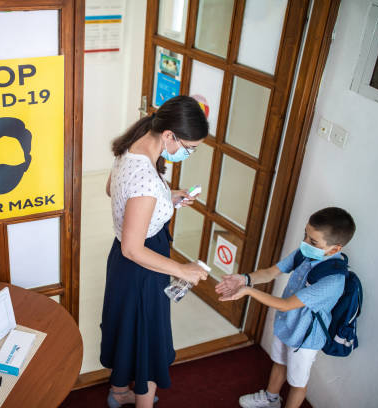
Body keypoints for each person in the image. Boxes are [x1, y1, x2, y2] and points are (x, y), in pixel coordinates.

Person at [100, 95, 210, 408]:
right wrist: (183, 269)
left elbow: (113, 189)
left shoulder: (131, 146)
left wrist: (167, 197)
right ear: (169, 135)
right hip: (143, 265)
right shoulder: (147, 179)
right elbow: (134, 248)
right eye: (189, 147)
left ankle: (119, 392)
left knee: (126, 328)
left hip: (122, 262)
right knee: (148, 338)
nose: (188, 153)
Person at [216, 207, 356, 408]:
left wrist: (248, 290)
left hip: (305, 338)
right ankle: (271, 399)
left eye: (313, 241)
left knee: (298, 383)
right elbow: (271, 272)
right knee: (279, 361)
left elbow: (286, 305)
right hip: (287, 325)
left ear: (334, 249)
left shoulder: (333, 280)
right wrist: (244, 278)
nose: (304, 243)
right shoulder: (305, 253)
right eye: (305, 235)